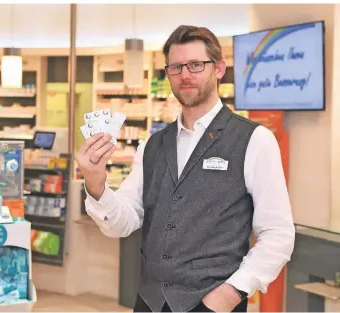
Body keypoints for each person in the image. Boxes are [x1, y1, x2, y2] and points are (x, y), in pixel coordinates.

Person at [76, 25, 295, 313]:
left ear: (218, 68)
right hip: (150, 302)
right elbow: (122, 222)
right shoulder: (153, 145)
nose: (185, 75)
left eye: (195, 65)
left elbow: (278, 234)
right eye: (176, 67)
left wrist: (231, 292)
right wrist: (96, 183)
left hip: (214, 304)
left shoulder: (254, 140)